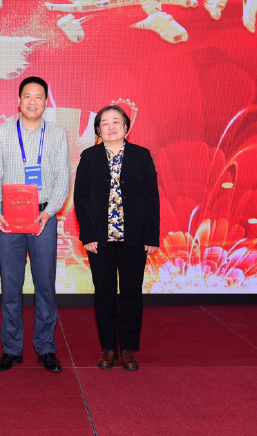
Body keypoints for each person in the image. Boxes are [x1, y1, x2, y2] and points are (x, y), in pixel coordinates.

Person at [0, 76, 71, 373]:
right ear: (18, 100)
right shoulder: (3, 131)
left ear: (46, 102)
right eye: (27, 96)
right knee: (11, 285)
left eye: (38, 97)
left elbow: (63, 177)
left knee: (45, 284)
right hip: (9, 219)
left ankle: (46, 348)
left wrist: (50, 212)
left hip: (43, 217)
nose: (32, 102)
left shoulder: (57, 134)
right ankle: (11, 348)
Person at [73, 105, 160, 371]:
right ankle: (109, 348)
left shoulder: (141, 156)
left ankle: (129, 349)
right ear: (98, 130)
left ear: (126, 127)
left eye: (116, 122)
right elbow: (81, 199)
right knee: (105, 294)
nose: (111, 127)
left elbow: (151, 198)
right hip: (100, 239)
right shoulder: (89, 157)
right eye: (105, 123)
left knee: (132, 294)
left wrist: (151, 236)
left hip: (134, 238)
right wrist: (88, 235)